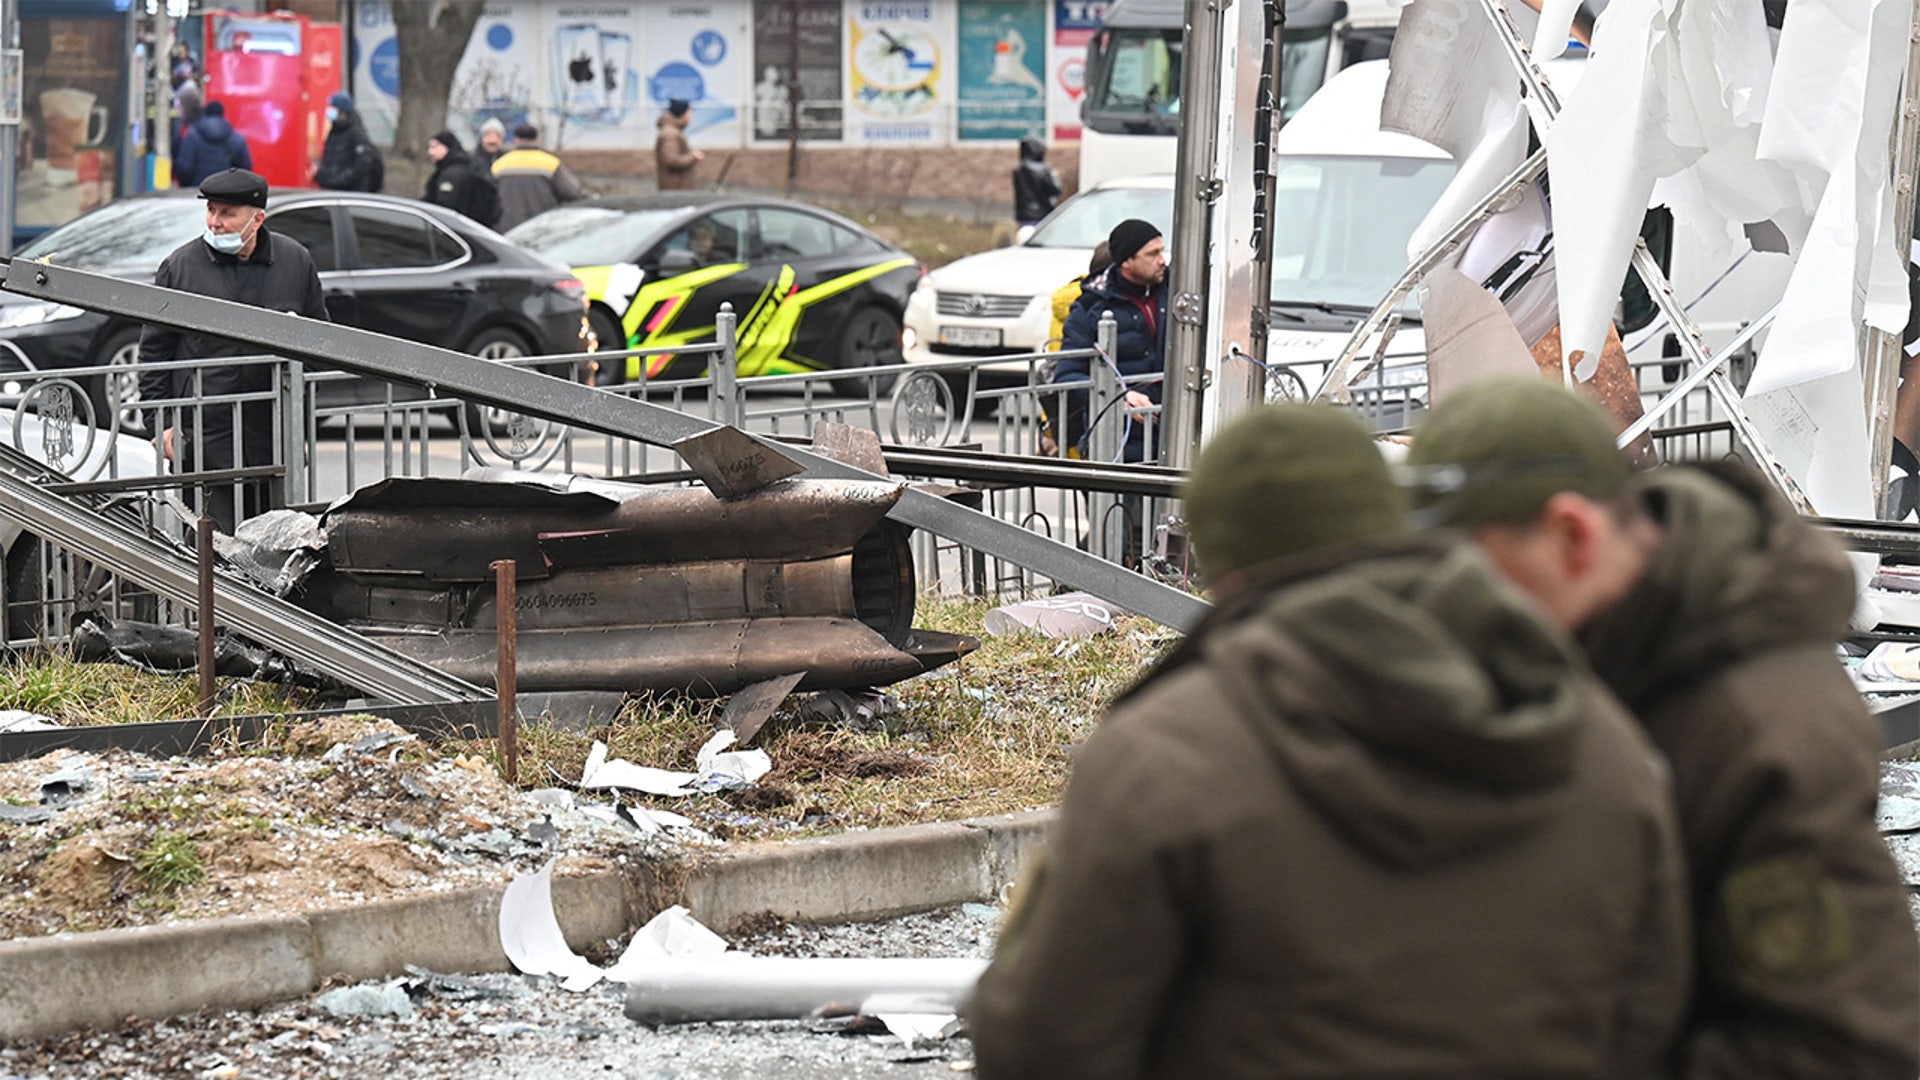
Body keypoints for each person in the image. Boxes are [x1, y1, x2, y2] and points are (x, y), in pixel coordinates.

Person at [968, 402, 1691, 1078]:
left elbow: (1044, 1041)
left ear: (1227, 574)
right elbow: (1654, 1012)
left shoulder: (1166, 753)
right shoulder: (1599, 737)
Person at [1405, 376, 1920, 1080]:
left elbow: (1836, 1040)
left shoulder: (1758, 727)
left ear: (1574, 534)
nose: (1461, 615)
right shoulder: (1607, 642)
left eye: (1481, 580)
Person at [138, 169, 328, 536]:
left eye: (228, 213)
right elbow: (155, 353)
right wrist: (159, 424)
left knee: (273, 542)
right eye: (211, 211)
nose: (215, 222)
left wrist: (298, 404)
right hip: (204, 439)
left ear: (258, 219)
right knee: (210, 547)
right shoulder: (181, 267)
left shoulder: (295, 262)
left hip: (273, 439)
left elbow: (319, 344)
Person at [1053, 218, 1167, 462]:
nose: (1162, 260)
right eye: (1152, 254)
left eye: (1162, 251)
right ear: (1126, 261)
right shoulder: (1090, 308)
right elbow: (1067, 376)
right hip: (1119, 443)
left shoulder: (1177, 292)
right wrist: (1119, 395)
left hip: (1174, 437)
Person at [491, 122, 587, 232]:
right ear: (536, 140)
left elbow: (489, 198)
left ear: (516, 140)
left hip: (509, 230)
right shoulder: (550, 163)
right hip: (542, 228)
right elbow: (572, 192)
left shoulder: (499, 165)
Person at [421, 130, 500, 227]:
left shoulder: (452, 175)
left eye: (435, 147)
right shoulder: (466, 167)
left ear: (447, 148)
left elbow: (445, 209)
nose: (430, 152)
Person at [314, 92, 383, 193]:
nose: (329, 111)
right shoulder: (335, 131)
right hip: (333, 190)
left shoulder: (355, 134)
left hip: (350, 193)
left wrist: (336, 180)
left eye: (333, 108)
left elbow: (362, 165)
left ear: (342, 112)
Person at [174, 100, 253, 188]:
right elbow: (246, 168)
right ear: (222, 114)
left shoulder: (192, 136)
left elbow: (184, 168)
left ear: (205, 114)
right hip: (227, 190)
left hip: (198, 189)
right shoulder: (236, 138)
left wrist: (186, 185)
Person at [655, 98, 705, 191]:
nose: (690, 117)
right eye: (689, 113)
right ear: (683, 114)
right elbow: (672, 160)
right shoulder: (670, 135)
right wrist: (693, 157)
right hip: (675, 189)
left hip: (677, 188)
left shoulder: (673, 132)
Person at [1012, 136, 1060, 227]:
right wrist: (1054, 176)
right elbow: (1055, 189)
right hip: (1042, 213)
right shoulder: (1043, 169)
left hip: (1024, 215)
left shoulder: (1019, 170)